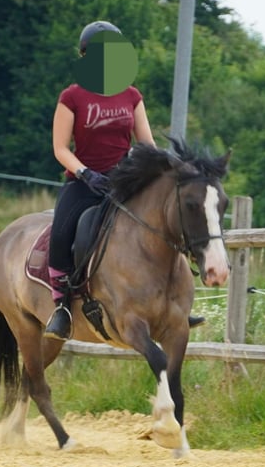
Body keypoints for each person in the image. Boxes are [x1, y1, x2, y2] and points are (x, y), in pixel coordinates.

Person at [44, 20, 205, 341]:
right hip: (84, 181)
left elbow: (146, 143)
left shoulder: (131, 94)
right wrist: (85, 173)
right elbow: (60, 148)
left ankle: (175, 305)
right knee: (61, 234)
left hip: (125, 181)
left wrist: (170, 169)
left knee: (169, 224)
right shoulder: (72, 96)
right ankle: (61, 307)